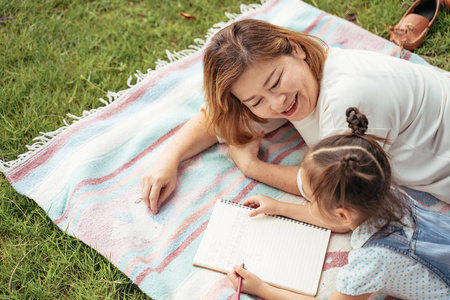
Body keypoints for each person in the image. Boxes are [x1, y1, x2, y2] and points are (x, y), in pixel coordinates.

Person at [141, 19, 450, 214]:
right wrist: (168, 160)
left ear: (296, 48)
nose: (277, 103)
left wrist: (251, 166)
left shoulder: (349, 99)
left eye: (275, 82)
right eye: (255, 100)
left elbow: (335, 195)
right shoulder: (299, 75)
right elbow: (218, 118)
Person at [227, 107, 450, 300]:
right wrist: (280, 208)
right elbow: (341, 222)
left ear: (343, 214)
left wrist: (262, 288)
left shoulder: (372, 259)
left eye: (312, 200)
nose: (309, 203)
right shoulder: (384, 192)